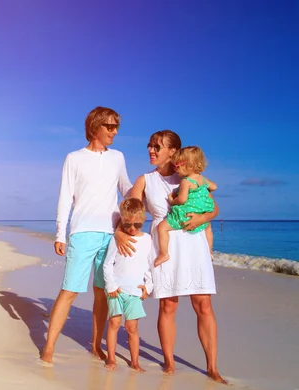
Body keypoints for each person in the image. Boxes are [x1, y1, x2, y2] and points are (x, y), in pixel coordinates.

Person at [115, 129, 227, 384]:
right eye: (150, 145)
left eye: (157, 146)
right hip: (164, 246)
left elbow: (214, 207)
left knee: (204, 305)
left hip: (193, 243)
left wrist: (204, 217)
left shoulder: (189, 175)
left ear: (173, 152)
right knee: (169, 305)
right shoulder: (145, 180)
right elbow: (128, 211)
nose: (151, 150)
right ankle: (169, 362)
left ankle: (212, 367)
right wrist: (119, 233)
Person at [40, 106, 132, 365]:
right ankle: (48, 349)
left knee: (102, 293)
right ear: (95, 128)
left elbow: (127, 188)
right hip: (82, 233)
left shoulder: (117, 157)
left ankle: (95, 346)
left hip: (111, 234)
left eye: (117, 127)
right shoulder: (74, 158)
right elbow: (65, 197)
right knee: (69, 291)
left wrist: (153, 186)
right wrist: (60, 233)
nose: (114, 131)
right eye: (110, 126)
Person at [103, 198, 153, 372]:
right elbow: (108, 264)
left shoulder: (147, 240)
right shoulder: (117, 239)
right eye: (127, 225)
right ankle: (111, 358)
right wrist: (110, 286)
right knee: (114, 324)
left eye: (137, 225)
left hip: (135, 291)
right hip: (116, 289)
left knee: (132, 327)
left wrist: (149, 286)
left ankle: (135, 361)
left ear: (144, 219)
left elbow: (150, 265)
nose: (132, 229)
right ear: (121, 220)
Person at [154, 146, 218, 266]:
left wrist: (172, 201)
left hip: (184, 216)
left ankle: (164, 254)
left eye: (177, 166)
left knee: (161, 228)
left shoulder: (186, 181)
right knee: (208, 228)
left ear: (190, 165)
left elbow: (182, 199)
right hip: (200, 215)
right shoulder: (202, 180)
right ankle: (209, 251)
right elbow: (214, 186)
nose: (175, 169)